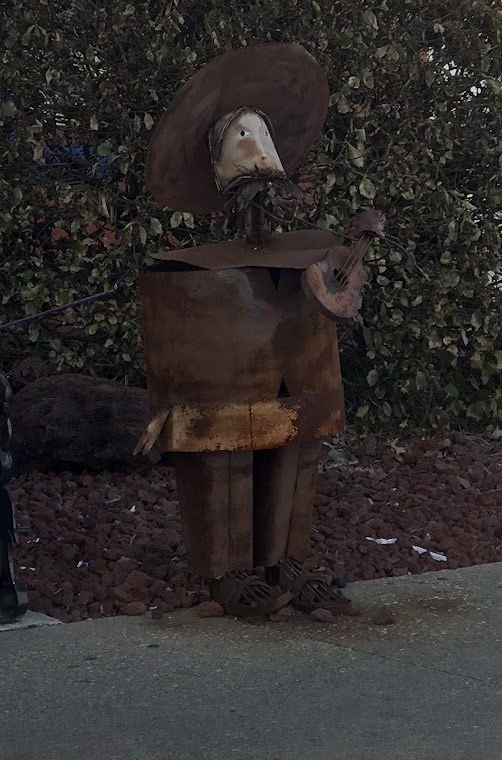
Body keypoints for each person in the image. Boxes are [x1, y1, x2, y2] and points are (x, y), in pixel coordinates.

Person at [140, 44, 378, 618]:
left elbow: (331, 285)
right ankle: (227, 572)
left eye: (262, 136)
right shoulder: (191, 270)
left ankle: (286, 563)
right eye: (242, 138)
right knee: (223, 454)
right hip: (222, 375)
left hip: (299, 372)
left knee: (297, 449)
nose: (259, 151)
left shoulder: (308, 249)